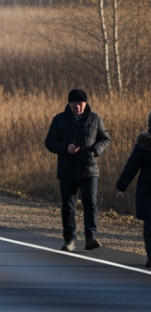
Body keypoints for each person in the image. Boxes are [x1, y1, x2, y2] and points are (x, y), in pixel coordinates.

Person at [45, 89, 111, 251]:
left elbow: (105, 138)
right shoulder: (59, 120)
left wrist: (96, 150)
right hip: (67, 170)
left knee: (90, 203)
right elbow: (49, 142)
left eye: (81, 104)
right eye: (75, 104)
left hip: (89, 169)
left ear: (86, 103)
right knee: (68, 206)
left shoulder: (95, 118)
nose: (78, 107)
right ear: (69, 104)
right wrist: (65, 148)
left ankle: (91, 237)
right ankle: (69, 239)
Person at [115, 112, 151, 267]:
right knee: (149, 226)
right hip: (147, 190)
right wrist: (122, 186)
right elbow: (132, 165)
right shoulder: (144, 143)